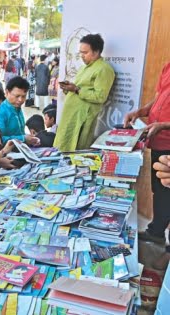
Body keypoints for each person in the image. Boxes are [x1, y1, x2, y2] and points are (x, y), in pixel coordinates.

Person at [123, 61, 170, 249]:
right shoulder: (167, 66)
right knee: (159, 189)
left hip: (167, 139)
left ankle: (159, 232)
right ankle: (156, 231)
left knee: (166, 190)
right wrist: (139, 112)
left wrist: (164, 125)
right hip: (157, 139)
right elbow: (158, 99)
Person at [54, 34, 115, 151]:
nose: (81, 56)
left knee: (76, 149)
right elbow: (78, 90)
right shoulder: (83, 68)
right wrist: (68, 88)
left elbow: (100, 97)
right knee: (62, 147)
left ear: (96, 52)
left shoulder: (104, 69)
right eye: (80, 52)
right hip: (71, 115)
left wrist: (76, 89)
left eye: (85, 53)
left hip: (82, 117)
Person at [0, 76, 40, 146]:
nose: (20, 100)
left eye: (23, 96)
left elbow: (19, 133)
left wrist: (30, 138)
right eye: (17, 96)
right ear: (7, 93)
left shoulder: (17, 108)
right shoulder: (0, 111)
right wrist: (23, 138)